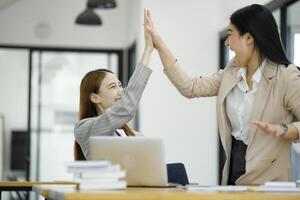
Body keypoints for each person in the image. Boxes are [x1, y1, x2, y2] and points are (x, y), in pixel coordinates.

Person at [144, 5, 300, 185]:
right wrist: (159, 44)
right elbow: (190, 87)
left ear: (249, 38)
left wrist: (284, 130)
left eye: (230, 33)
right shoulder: (232, 72)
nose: (227, 42)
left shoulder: (286, 76)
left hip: (270, 180)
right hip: (233, 172)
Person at [74, 10, 154, 160]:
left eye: (120, 85)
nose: (121, 91)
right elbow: (126, 108)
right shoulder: (84, 129)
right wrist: (148, 50)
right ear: (94, 97)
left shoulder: (122, 132)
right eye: (113, 87)